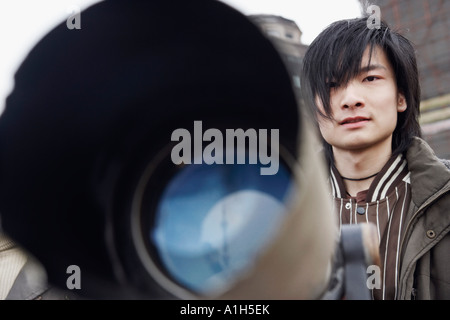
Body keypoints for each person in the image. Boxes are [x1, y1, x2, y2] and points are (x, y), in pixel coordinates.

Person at [301, 16, 450, 300]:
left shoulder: (444, 196)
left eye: (370, 78)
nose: (350, 99)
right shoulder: (282, 206)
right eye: (332, 85)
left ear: (401, 97)